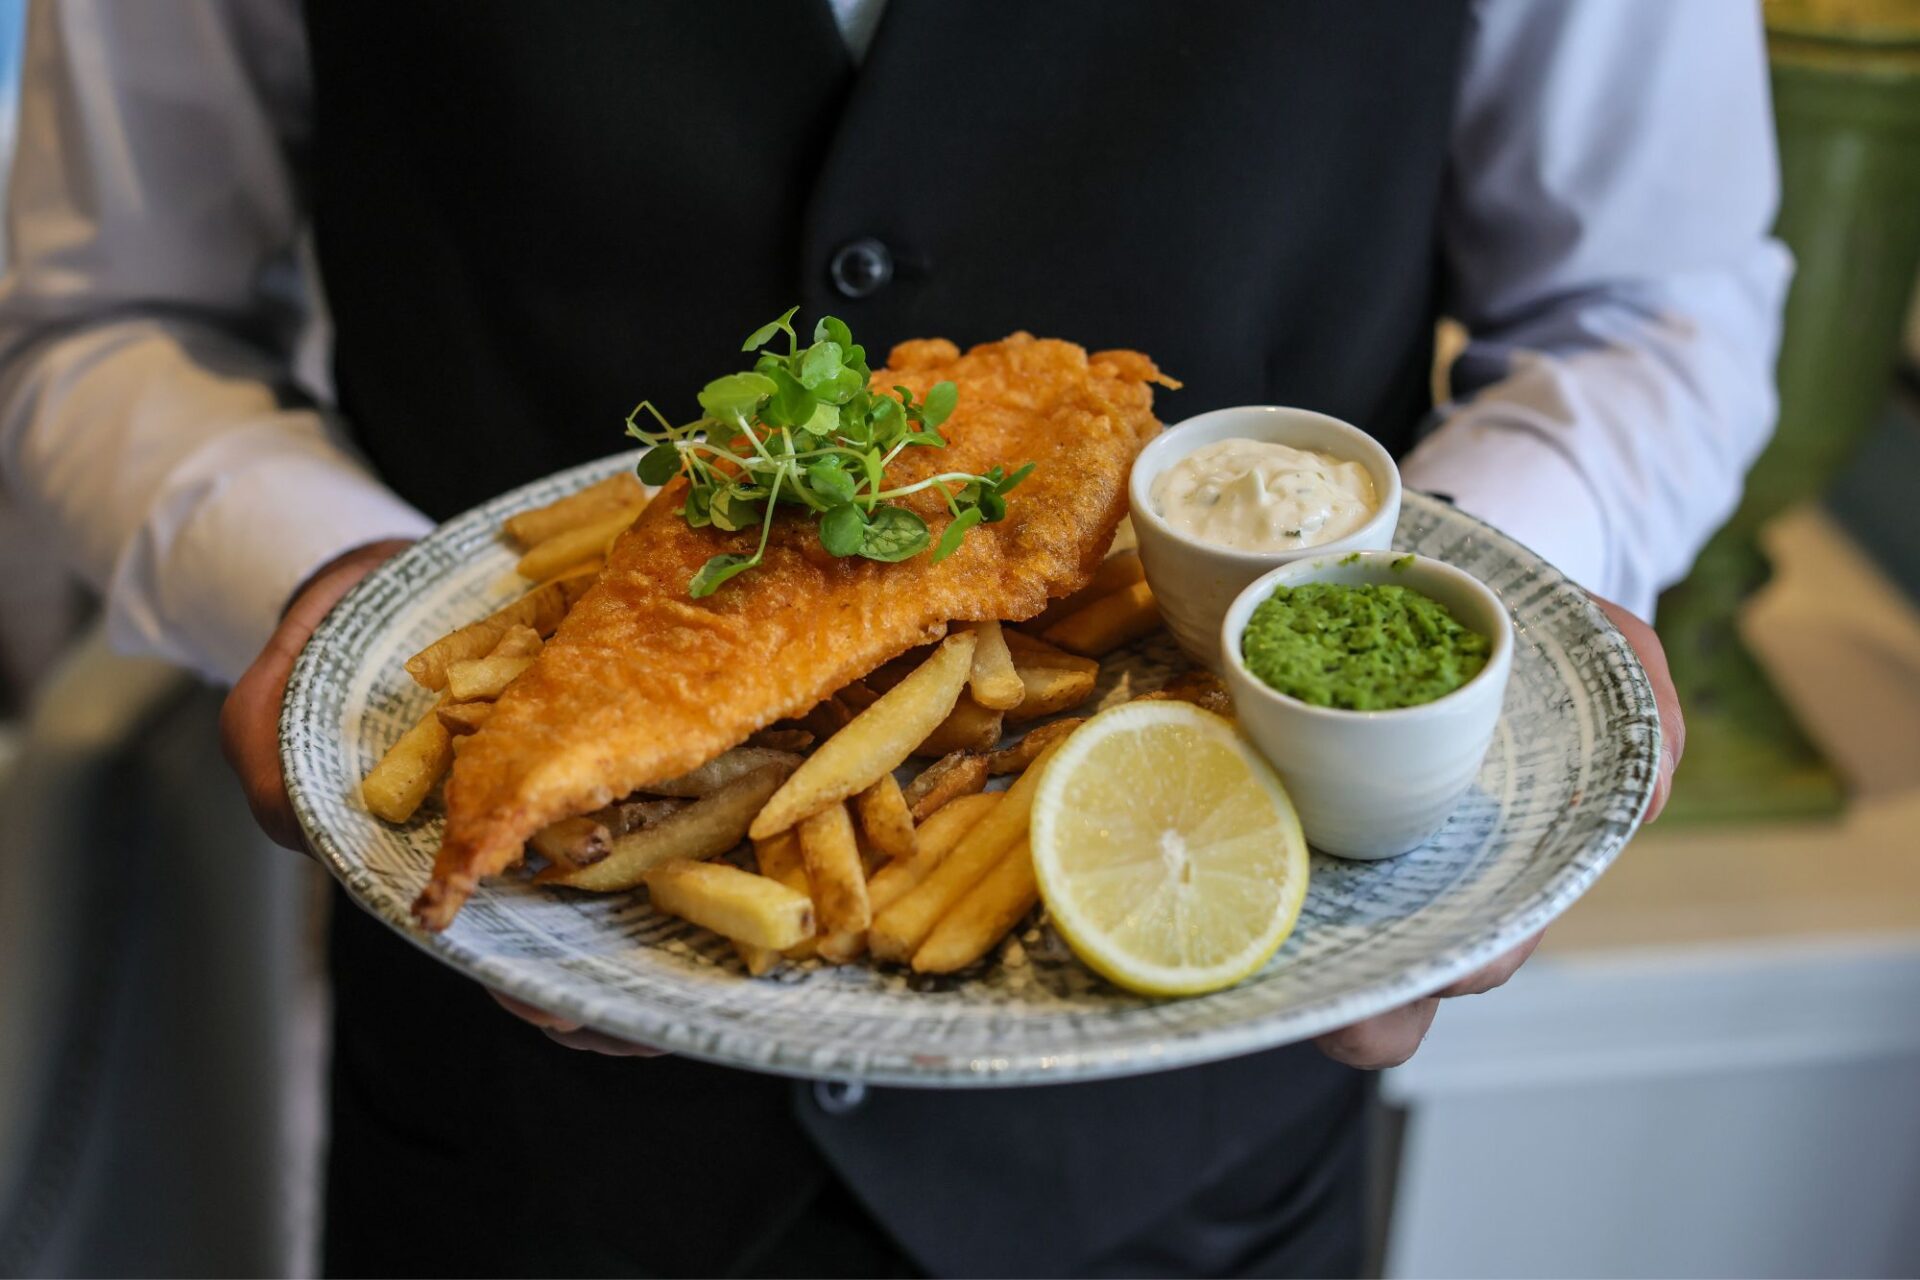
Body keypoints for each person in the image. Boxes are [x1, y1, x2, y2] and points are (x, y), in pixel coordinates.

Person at [0, 0, 1775, 1274]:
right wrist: (332, 589)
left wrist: (1479, 617)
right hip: (514, 1159)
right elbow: (109, 314)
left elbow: (1648, 307)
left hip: (1199, 1174)